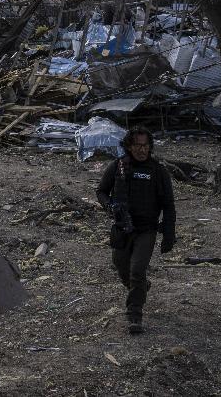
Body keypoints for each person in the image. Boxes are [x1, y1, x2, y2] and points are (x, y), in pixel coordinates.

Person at [96, 125, 176, 335]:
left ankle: (134, 316)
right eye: (137, 146)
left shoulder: (158, 171)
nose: (142, 150)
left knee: (137, 270)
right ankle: (140, 287)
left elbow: (168, 205)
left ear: (150, 147)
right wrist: (109, 206)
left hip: (146, 230)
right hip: (122, 227)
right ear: (129, 146)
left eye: (145, 146)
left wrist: (169, 235)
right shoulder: (118, 167)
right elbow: (102, 191)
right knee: (122, 267)